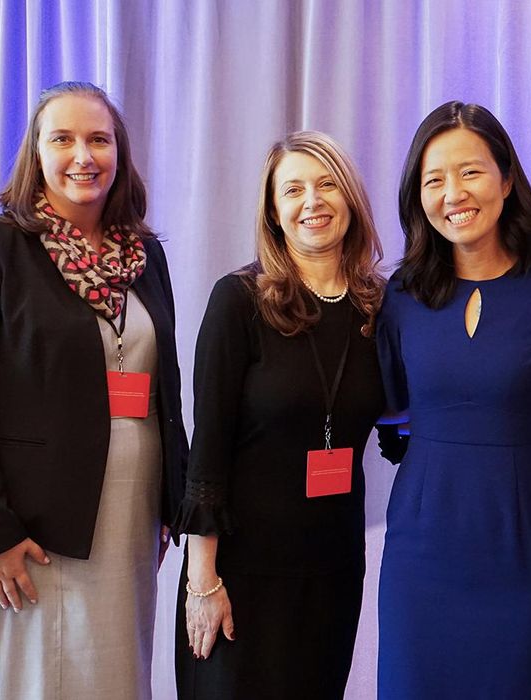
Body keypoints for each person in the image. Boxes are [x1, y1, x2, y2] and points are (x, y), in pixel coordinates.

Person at [0, 81, 188, 700]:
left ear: (119, 153)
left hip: (128, 513)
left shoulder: (144, 255)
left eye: (99, 139)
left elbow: (163, 389)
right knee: (32, 681)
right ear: (35, 153)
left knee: (116, 676)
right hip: (27, 529)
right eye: (62, 138)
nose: (82, 155)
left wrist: (172, 503)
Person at [376, 101, 531, 698]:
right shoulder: (403, 295)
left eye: (470, 172)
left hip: (525, 550)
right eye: (433, 179)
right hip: (422, 549)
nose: (453, 193)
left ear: (506, 178)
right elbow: (390, 419)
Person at [172, 131, 386, 699]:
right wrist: (202, 581)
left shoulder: (378, 308)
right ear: (273, 211)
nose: (311, 201)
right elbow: (208, 450)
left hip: (333, 568)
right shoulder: (238, 301)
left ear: (350, 198)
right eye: (292, 189)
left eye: (326, 184)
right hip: (239, 571)